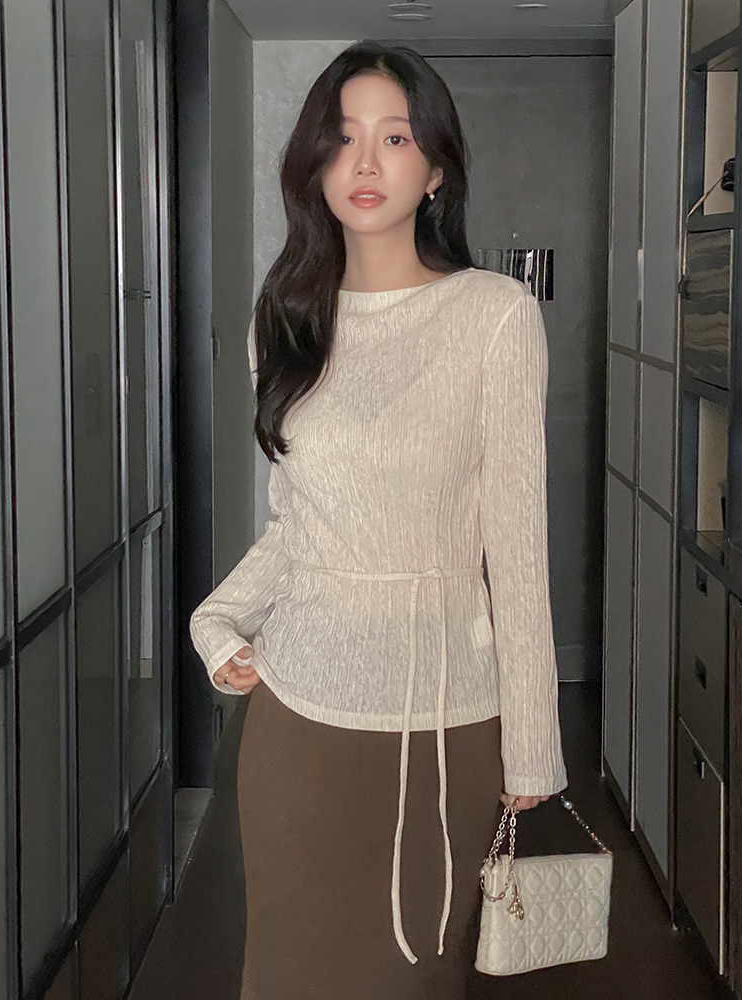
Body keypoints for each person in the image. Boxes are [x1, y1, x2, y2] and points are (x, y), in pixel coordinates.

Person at [189, 40, 567, 999]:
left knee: (413, 979)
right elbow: (297, 524)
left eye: (394, 138)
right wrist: (216, 618)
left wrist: (532, 741)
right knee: (287, 973)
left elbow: (517, 549)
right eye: (343, 137)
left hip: (443, 720)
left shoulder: (494, 315)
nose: (364, 162)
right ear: (314, 164)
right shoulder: (284, 318)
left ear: (435, 169)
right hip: (298, 714)